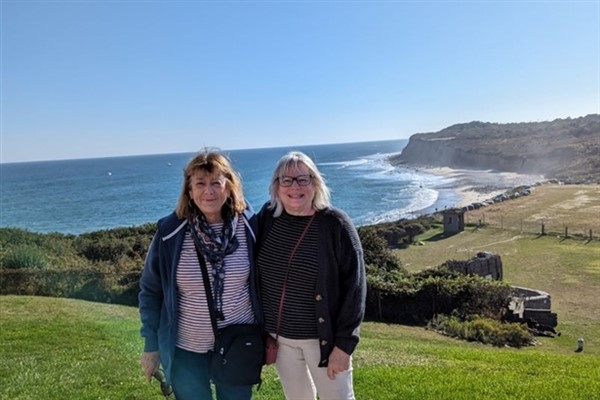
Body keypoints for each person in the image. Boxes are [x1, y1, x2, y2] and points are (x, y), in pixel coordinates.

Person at [138, 149, 262, 400]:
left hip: (238, 344)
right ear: (189, 190)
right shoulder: (170, 232)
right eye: (200, 184)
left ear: (229, 187)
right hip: (187, 351)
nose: (209, 191)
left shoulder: (250, 226)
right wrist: (151, 345)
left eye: (216, 182)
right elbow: (151, 290)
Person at [256, 151, 366, 400]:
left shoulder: (335, 224)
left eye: (302, 179)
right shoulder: (268, 218)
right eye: (286, 180)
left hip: (324, 342)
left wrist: (344, 346)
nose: (294, 187)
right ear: (276, 186)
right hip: (281, 340)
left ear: (315, 183)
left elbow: (355, 289)